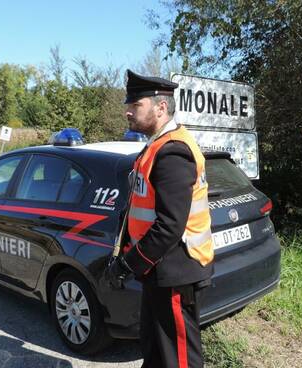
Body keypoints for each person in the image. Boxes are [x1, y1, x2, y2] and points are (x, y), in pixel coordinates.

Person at [105, 70, 214, 368]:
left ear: (161, 107)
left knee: (178, 359)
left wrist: (129, 264)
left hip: (176, 271)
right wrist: (122, 253)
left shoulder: (173, 152)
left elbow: (169, 226)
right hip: (157, 270)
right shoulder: (154, 146)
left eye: (135, 104)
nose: (127, 110)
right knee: (154, 350)